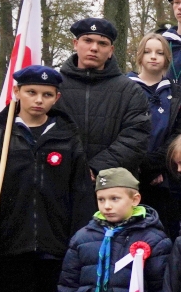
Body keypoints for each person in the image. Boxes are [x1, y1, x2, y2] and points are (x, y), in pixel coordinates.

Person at [0, 66, 93, 292]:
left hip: (57, 248)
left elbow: (80, 193)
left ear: (56, 97)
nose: (38, 99)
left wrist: (80, 242)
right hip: (12, 247)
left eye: (47, 94)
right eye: (31, 92)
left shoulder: (66, 137)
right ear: (17, 92)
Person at [57, 18, 151, 181]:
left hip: (111, 186)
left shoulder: (129, 91)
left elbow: (135, 138)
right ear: (75, 43)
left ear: (111, 50)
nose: (94, 48)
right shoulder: (53, 87)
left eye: (102, 43)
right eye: (87, 40)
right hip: (60, 179)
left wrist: (96, 168)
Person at [130, 34, 181, 235]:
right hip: (131, 175)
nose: (153, 57)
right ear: (140, 56)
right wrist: (142, 168)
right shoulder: (124, 88)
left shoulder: (177, 93)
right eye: (148, 52)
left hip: (165, 178)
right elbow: (122, 132)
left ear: (167, 58)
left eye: (159, 53)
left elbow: (180, 134)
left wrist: (157, 166)